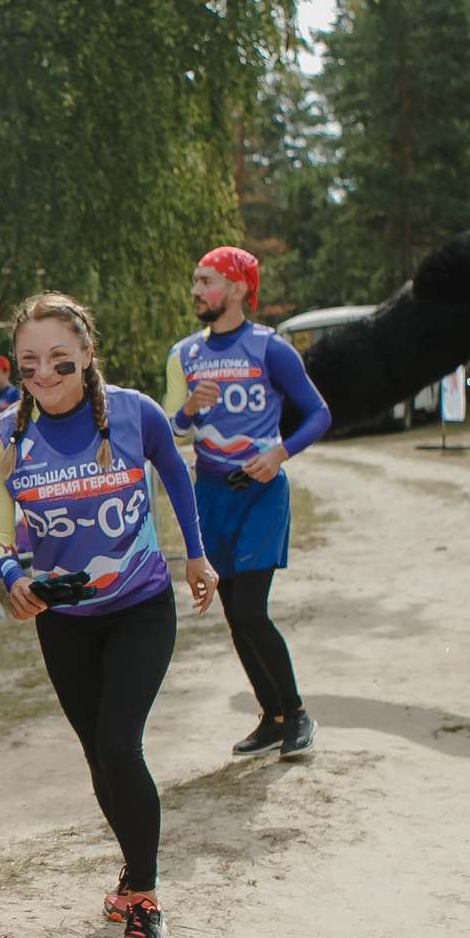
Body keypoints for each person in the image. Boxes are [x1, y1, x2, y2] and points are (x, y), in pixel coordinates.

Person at [0, 293, 216, 938]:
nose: (46, 374)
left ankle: (144, 895)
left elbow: (174, 470)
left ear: (87, 353)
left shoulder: (136, 412)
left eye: (60, 359)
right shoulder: (4, 436)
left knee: (119, 741)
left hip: (141, 605)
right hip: (65, 620)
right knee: (96, 754)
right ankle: (130, 867)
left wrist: (196, 553)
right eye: (30, 364)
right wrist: (11, 575)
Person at [164, 245, 330, 760]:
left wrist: (280, 453)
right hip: (210, 497)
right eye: (195, 281)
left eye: (207, 281)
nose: (196, 290)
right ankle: (272, 716)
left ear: (237, 289)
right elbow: (171, 426)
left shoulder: (271, 348)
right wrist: (189, 407)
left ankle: (298, 713)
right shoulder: (184, 354)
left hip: (258, 495)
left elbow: (318, 414)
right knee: (235, 616)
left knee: (252, 611)